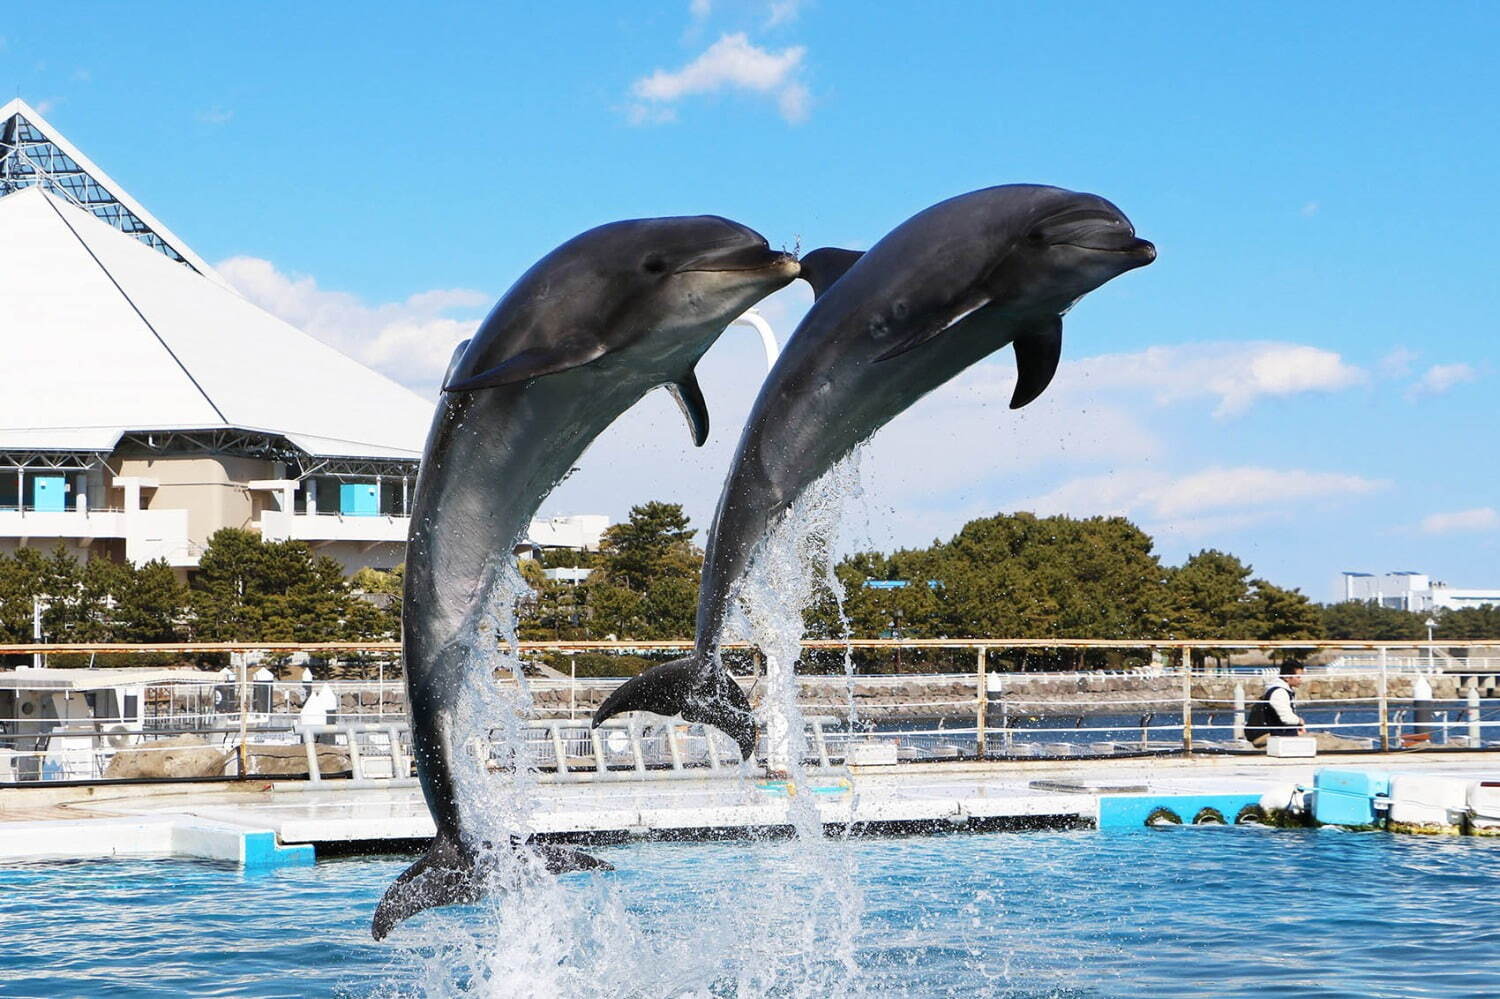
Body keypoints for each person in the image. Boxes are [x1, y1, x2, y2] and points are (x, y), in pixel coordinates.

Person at [1245, 661, 1306, 747]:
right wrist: (1300, 721)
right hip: (1264, 734)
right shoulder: (1279, 692)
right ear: (1287, 677)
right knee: (1305, 737)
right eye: (1298, 677)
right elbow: (1287, 719)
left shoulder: (1281, 690)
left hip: (1272, 730)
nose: (1301, 680)